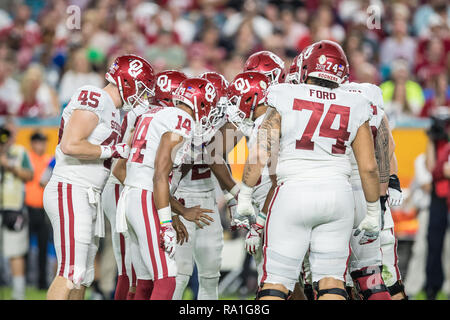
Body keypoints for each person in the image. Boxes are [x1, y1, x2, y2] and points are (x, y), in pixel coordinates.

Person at [236, 40, 381, 300]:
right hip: (339, 196)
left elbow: (260, 152)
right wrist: (372, 213)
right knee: (331, 282)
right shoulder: (356, 103)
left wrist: (246, 195)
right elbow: (368, 167)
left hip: (293, 192)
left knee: (276, 283)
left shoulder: (284, 94)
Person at [42, 54, 154, 300]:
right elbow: (70, 145)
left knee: (84, 274)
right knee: (71, 271)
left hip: (87, 193)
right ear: (127, 81)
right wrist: (112, 150)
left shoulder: (113, 111)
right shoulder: (95, 96)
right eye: (142, 89)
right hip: (71, 187)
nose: (142, 96)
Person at [112, 77, 217, 300]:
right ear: (200, 103)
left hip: (131, 196)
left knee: (144, 281)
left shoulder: (150, 115)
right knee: (167, 277)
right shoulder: (181, 119)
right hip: (146, 199)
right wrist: (167, 222)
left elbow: (121, 170)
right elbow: (159, 174)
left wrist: (179, 212)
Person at [0, 125, 34, 300]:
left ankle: (18, 294)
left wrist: (10, 166)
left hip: (13, 207)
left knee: (15, 251)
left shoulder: (19, 152)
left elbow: (30, 175)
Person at [25, 131, 52, 290]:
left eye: (42, 142)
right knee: (24, 247)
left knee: (43, 247)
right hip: (27, 207)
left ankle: (41, 282)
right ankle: (26, 279)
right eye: (37, 142)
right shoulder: (26, 158)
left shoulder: (50, 160)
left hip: (43, 209)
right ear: (32, 143)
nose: (40, 145)